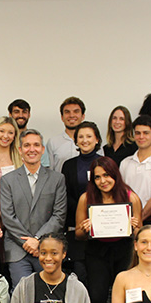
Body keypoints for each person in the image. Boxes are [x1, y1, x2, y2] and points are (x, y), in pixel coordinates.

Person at [75, 155, 142, 303]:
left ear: (115, 175)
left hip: (124, 249)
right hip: (97, 250)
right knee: (97, 295)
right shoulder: (86, 198)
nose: (103, 181)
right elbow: (78, 235)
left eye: (107, 175)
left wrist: (136, 227)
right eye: (97, 177)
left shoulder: (131, 197)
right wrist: (84, 228)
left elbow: (139, 234)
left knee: (128, 294)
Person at [0, 129, 67, 288]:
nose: (32, 149)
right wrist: (29, 242)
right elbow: (8, 216)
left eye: (36, 145)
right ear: (20, 150)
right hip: (17, 249)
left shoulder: (57, 179)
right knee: (22, 294)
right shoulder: (8, 180)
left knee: (49, 293)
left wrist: (38, 240)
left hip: (48, 249)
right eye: (27, 145)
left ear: (43, 149)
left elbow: (59, 215)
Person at [60, 121, 104, 283]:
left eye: (89, 136)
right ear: (76, 140)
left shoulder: (105, 163)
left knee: (98, 278)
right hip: (76, 228)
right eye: (81, 137)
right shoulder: (68, 165)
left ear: (97, 139)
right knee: (79, 274)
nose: (85, 140)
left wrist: (95, 216)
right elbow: (65, 194)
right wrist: (82, 214)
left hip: (102, 229)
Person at [119, 114, 151, 221]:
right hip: (127, 220)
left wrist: (140, 218)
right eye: (138, 133)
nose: (141, 137)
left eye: (146, 133)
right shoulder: (125, 163)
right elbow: (120, 192)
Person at [44, 96, 90, 172]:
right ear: (62, 117)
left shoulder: (92, 141)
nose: (71, 115)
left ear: (83, 116)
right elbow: (49, 172)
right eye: (67, 112)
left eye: (76, 111)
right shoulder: (53, 142)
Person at [0, 116, 21, 191]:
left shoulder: (21, 160)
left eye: (10, 133)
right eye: (2, 131)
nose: (5, 136)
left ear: (14, 136)